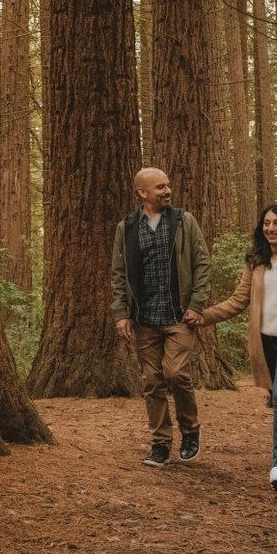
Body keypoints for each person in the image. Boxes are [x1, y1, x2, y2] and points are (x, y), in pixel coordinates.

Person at [188, 203, 277, 491]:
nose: (271, 228)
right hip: (264, 344)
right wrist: (202, 317)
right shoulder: (256, 262)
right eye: (266, 223)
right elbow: (237, 301)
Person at [111, 167, 212, 466]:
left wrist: (196, 304)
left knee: (176, 374)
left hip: (179, 316)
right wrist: (121, 314)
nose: (168, 191)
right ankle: (160, 443)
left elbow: (202, 263)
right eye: (160, 187)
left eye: (168, 185)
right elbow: (118, 274)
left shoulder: (184, 221)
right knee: (152, 381)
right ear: (143, 193)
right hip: (144, 319)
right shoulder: (126, 227)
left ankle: (190, 432)